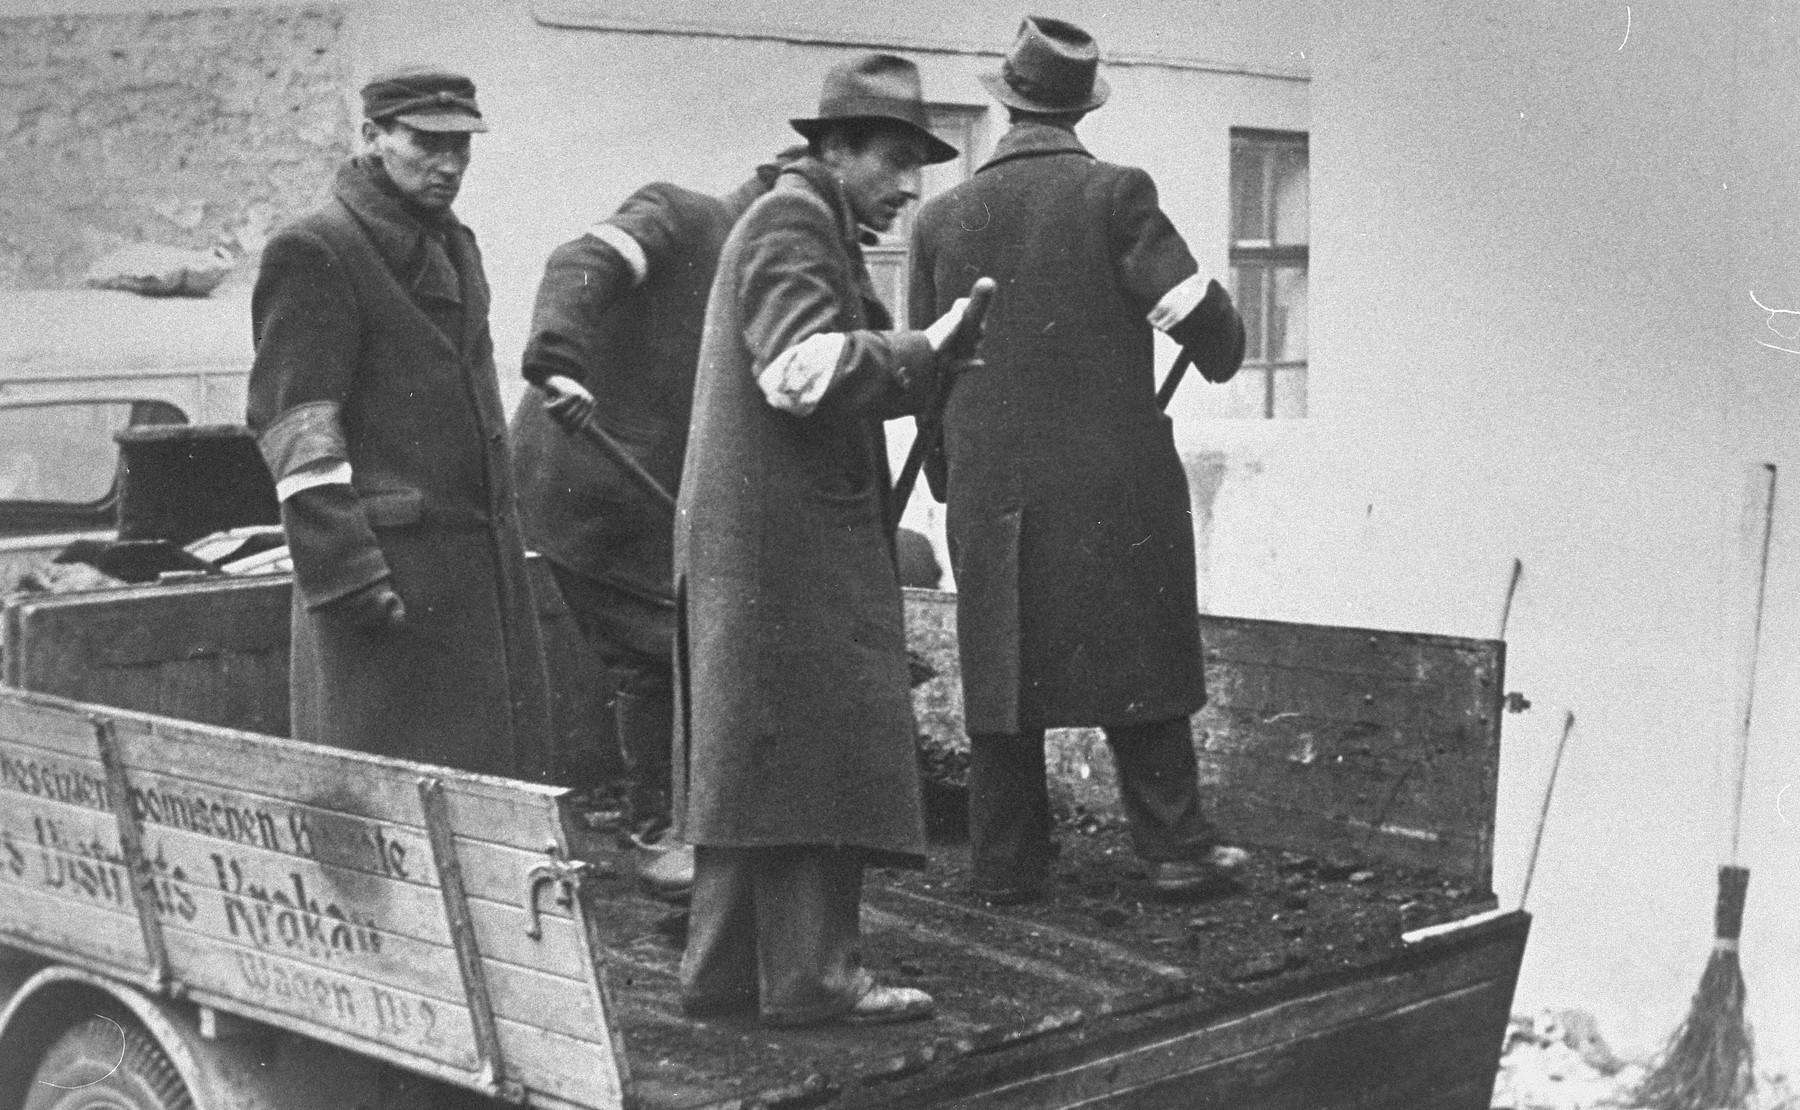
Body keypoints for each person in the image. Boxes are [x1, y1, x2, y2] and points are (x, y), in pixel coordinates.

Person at [673, 53, 985, 1026]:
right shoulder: (795, 222)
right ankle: (815, 978)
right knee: (812, 753)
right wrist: (921, 352)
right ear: (836, 150)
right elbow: (800, 373)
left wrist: (920, 359)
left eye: (917, 166)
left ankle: (720, 974)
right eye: (892, 160)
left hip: (759, 545)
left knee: (748, 764)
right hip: (788, 550)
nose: (906, 186)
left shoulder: (806, 222)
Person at [908, 17, 1248, 903]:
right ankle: (1173, 848)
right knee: (1142, 648)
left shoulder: (940, 218)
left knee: (1000, 673)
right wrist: (1223, 324)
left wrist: (952, 482)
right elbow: (1206, 333)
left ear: (1008, 102)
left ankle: (1008, 865)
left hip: (990, 491)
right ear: (1078, 108)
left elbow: (926, 373)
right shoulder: (1116, 193)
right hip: (1113, 490)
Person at [511, 147, 804, 899]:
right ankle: (658, 834)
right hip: (588, 477)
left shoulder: (775, 265)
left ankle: (691, 819)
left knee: (684, 643)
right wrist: (559, 360)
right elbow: (580, 261)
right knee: (657, 651)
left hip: (661, 492)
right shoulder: (681, 216)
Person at [247, 67, 549, 779]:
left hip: (476, 587)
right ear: (373, 137)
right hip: (388, 590)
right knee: (393, 818)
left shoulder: (452, 242)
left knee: (484, 803)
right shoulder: (317, 248)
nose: (449, 164)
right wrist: (349, 579)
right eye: (426, 142)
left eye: (462, 146)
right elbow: (295, 425)